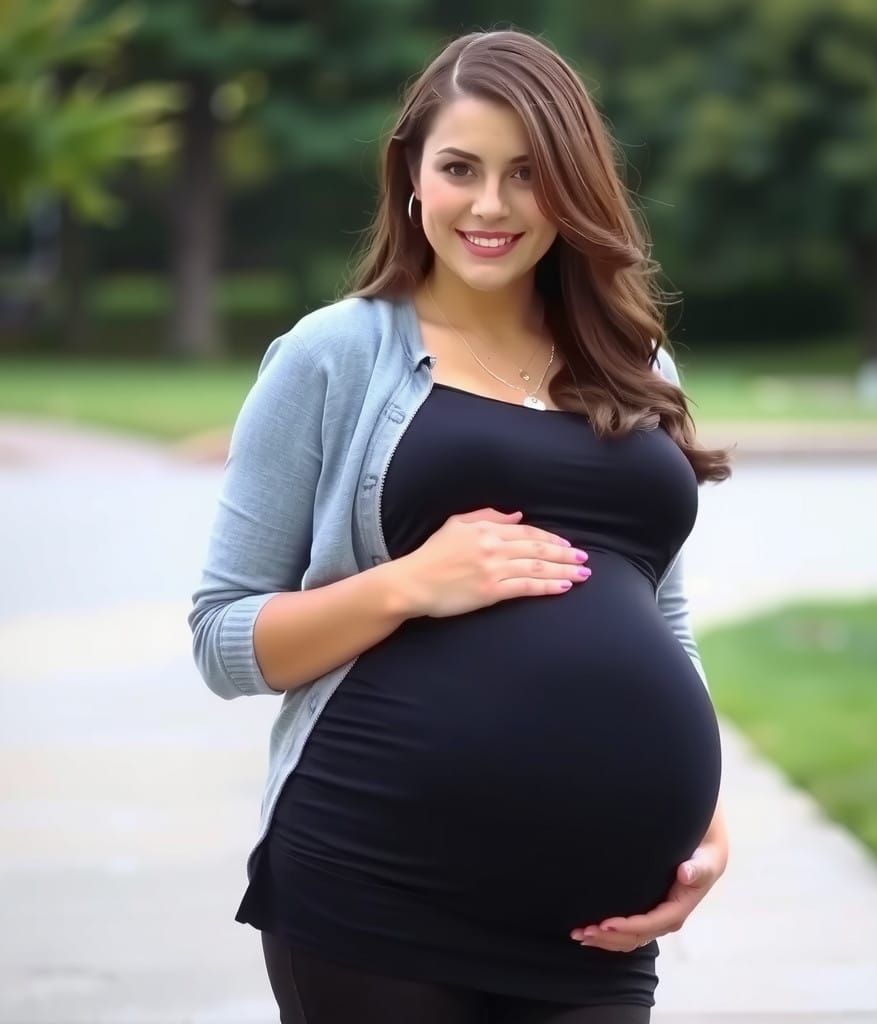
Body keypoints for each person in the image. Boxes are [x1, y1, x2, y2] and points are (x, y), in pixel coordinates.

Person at [188, 26, 734, 1024]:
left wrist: (702, 814)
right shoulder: (334, 354)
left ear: (572, 185)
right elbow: (222, 639)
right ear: (412, 177)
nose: (490, 205)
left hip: (595, 921)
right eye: (460, 169)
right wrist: (409, 584)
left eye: (527, 173)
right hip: (378, 888)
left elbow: (662, 618)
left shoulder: (636, 362)